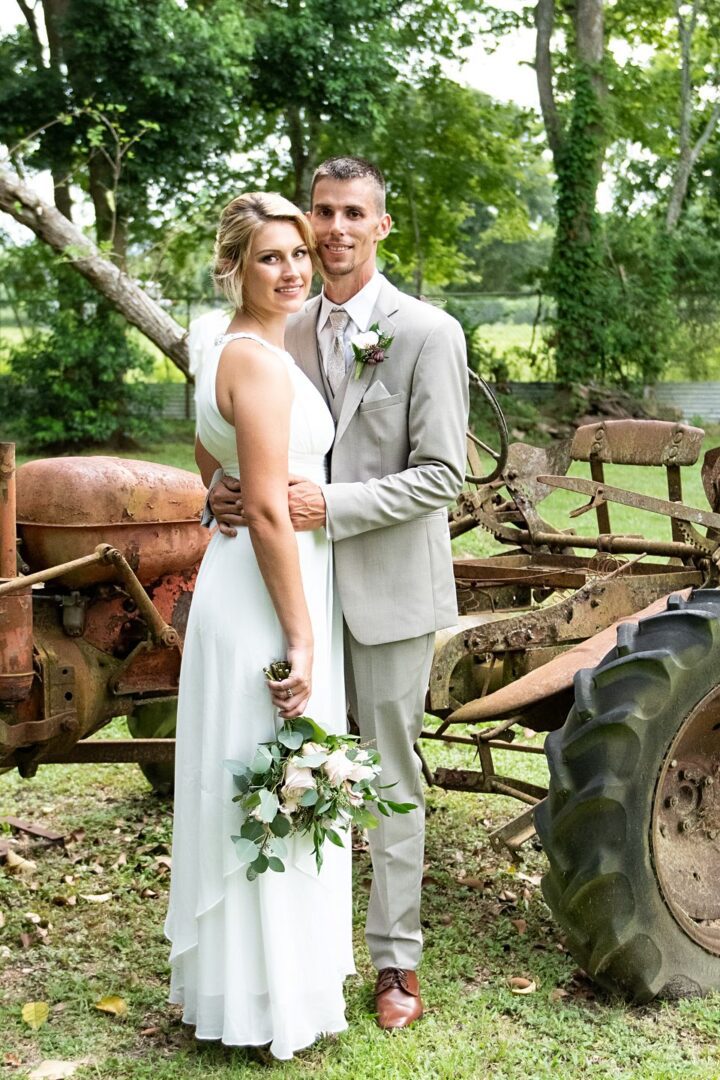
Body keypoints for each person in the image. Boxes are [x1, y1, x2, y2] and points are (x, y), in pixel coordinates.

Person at [209, 157, 469, 1030]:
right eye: (323, 211)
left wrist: (337, 504)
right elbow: (241, 432)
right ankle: (297, 957)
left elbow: (443, 474)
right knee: (296, 768)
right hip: (297, 586)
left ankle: (396, 964)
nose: (335, 228)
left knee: (390, 773)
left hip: (388, 587)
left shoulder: (429, 331)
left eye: (354, 211)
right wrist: (217, 488)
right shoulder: (283, 319)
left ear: (382, 226)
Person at [164, 192, 354, 1060]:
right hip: (267, 591)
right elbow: (273, 513)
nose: (292, 270)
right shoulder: (264, 363)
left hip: (231, 582)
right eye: (271, 257)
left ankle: (242, 990)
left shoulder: (221, 347)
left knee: (255, 774)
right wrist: (305, 637)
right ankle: (269, 1001)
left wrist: (214, 487)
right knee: (270, 773)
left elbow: (213, 453)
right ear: (234, 266)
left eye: (300, 255)